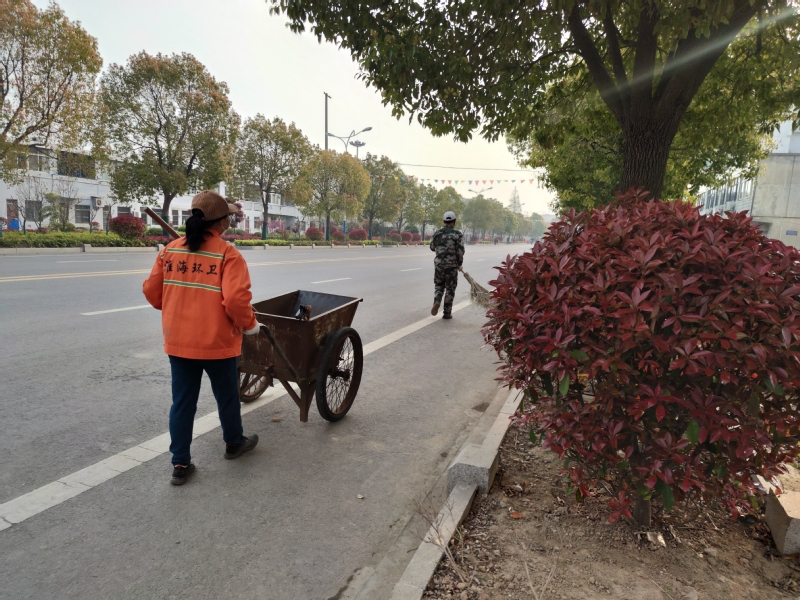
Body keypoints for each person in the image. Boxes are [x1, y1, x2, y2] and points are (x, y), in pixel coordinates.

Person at [143, 190, 261, 486]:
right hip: (217, 342)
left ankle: (180, 463)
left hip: (179, 341)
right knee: (227, 396)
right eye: (229, 217)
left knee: (182, 403)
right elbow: (235, 300)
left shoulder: (170, 251)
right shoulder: (227, 254)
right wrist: (250, 325)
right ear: (221, 222)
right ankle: (234, 443)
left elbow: (152, 292)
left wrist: (175, 305)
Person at [429, 210, 465, 319]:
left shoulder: (437, 233)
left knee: (439, 285)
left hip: (439, 265)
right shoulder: (458, 234)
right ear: (454, 220)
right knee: (450, 289)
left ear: (444, 221)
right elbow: (460, 251)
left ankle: (437, 300)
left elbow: (432, 247)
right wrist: (459, 264)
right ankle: (447, 313)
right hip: (451, 266)